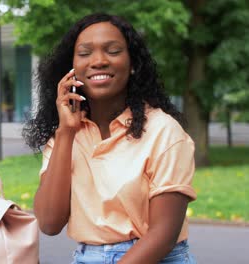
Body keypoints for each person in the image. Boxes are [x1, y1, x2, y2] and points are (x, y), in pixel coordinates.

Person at [22, 13, 197, 263]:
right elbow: (49, 223)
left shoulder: (163, 131)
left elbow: (163, 234)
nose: (99, 61)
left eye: (113, 51)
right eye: (85, 53)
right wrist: (65, 133)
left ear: (133, 63)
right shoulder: (65, 136)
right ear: (71, 69)